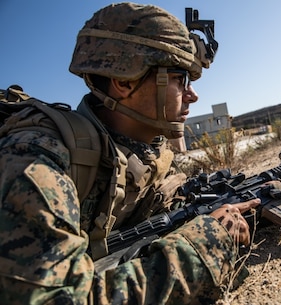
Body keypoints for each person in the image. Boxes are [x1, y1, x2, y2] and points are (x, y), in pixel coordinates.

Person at [0, 3, 260, 304]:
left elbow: (162, 209)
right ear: (124, 82)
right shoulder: (36, 163)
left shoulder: (137, 154)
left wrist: (244, 203)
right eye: (178, 79)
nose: (193, 95)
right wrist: (207, 246)